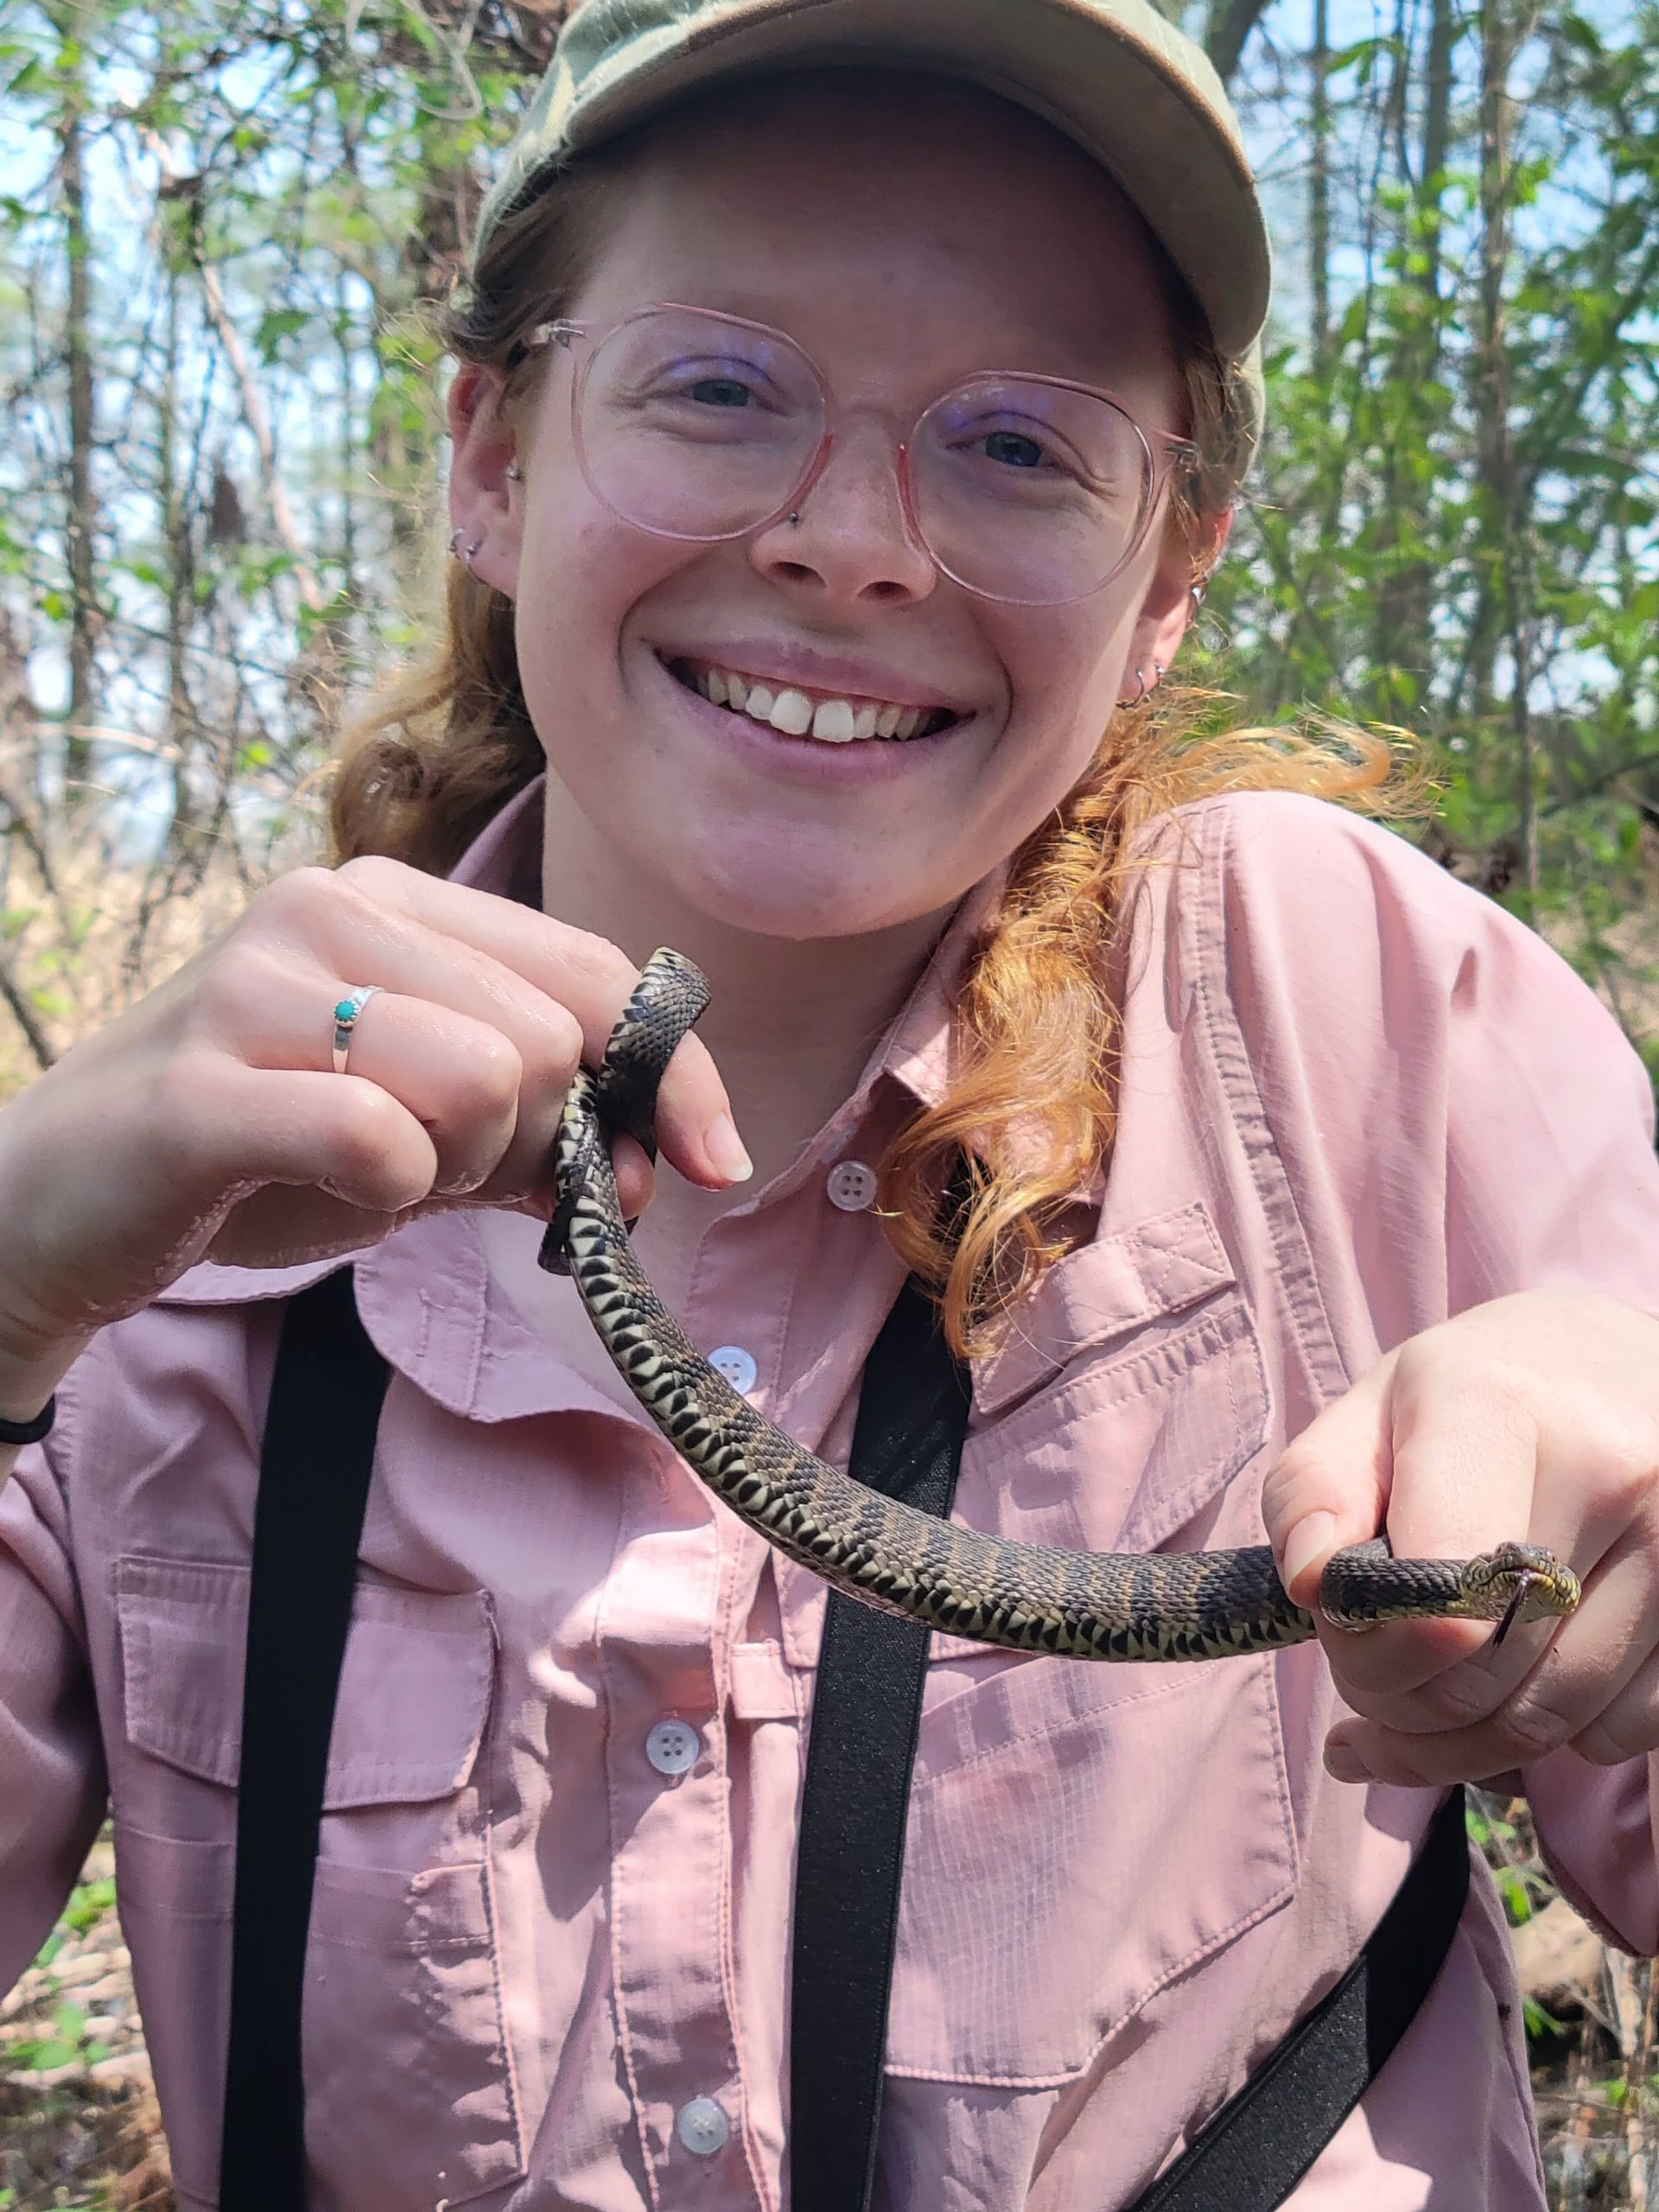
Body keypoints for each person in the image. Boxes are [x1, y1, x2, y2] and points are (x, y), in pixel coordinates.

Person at [2, 0, 1657, 2204]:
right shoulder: (183, 1217)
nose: (859, 544)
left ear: (1172, 569)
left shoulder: (1351, 1009)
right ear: (491, 453)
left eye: (1017, 442)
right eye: (716, 384)